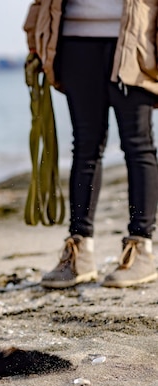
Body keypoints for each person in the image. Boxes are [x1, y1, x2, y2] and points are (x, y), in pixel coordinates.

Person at [23, 0, 158, 288]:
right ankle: (80, 250)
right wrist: (34, 33)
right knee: (85, 147)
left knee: (138, 145)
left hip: (135, 40)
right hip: (73, 41)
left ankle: (141, 247)